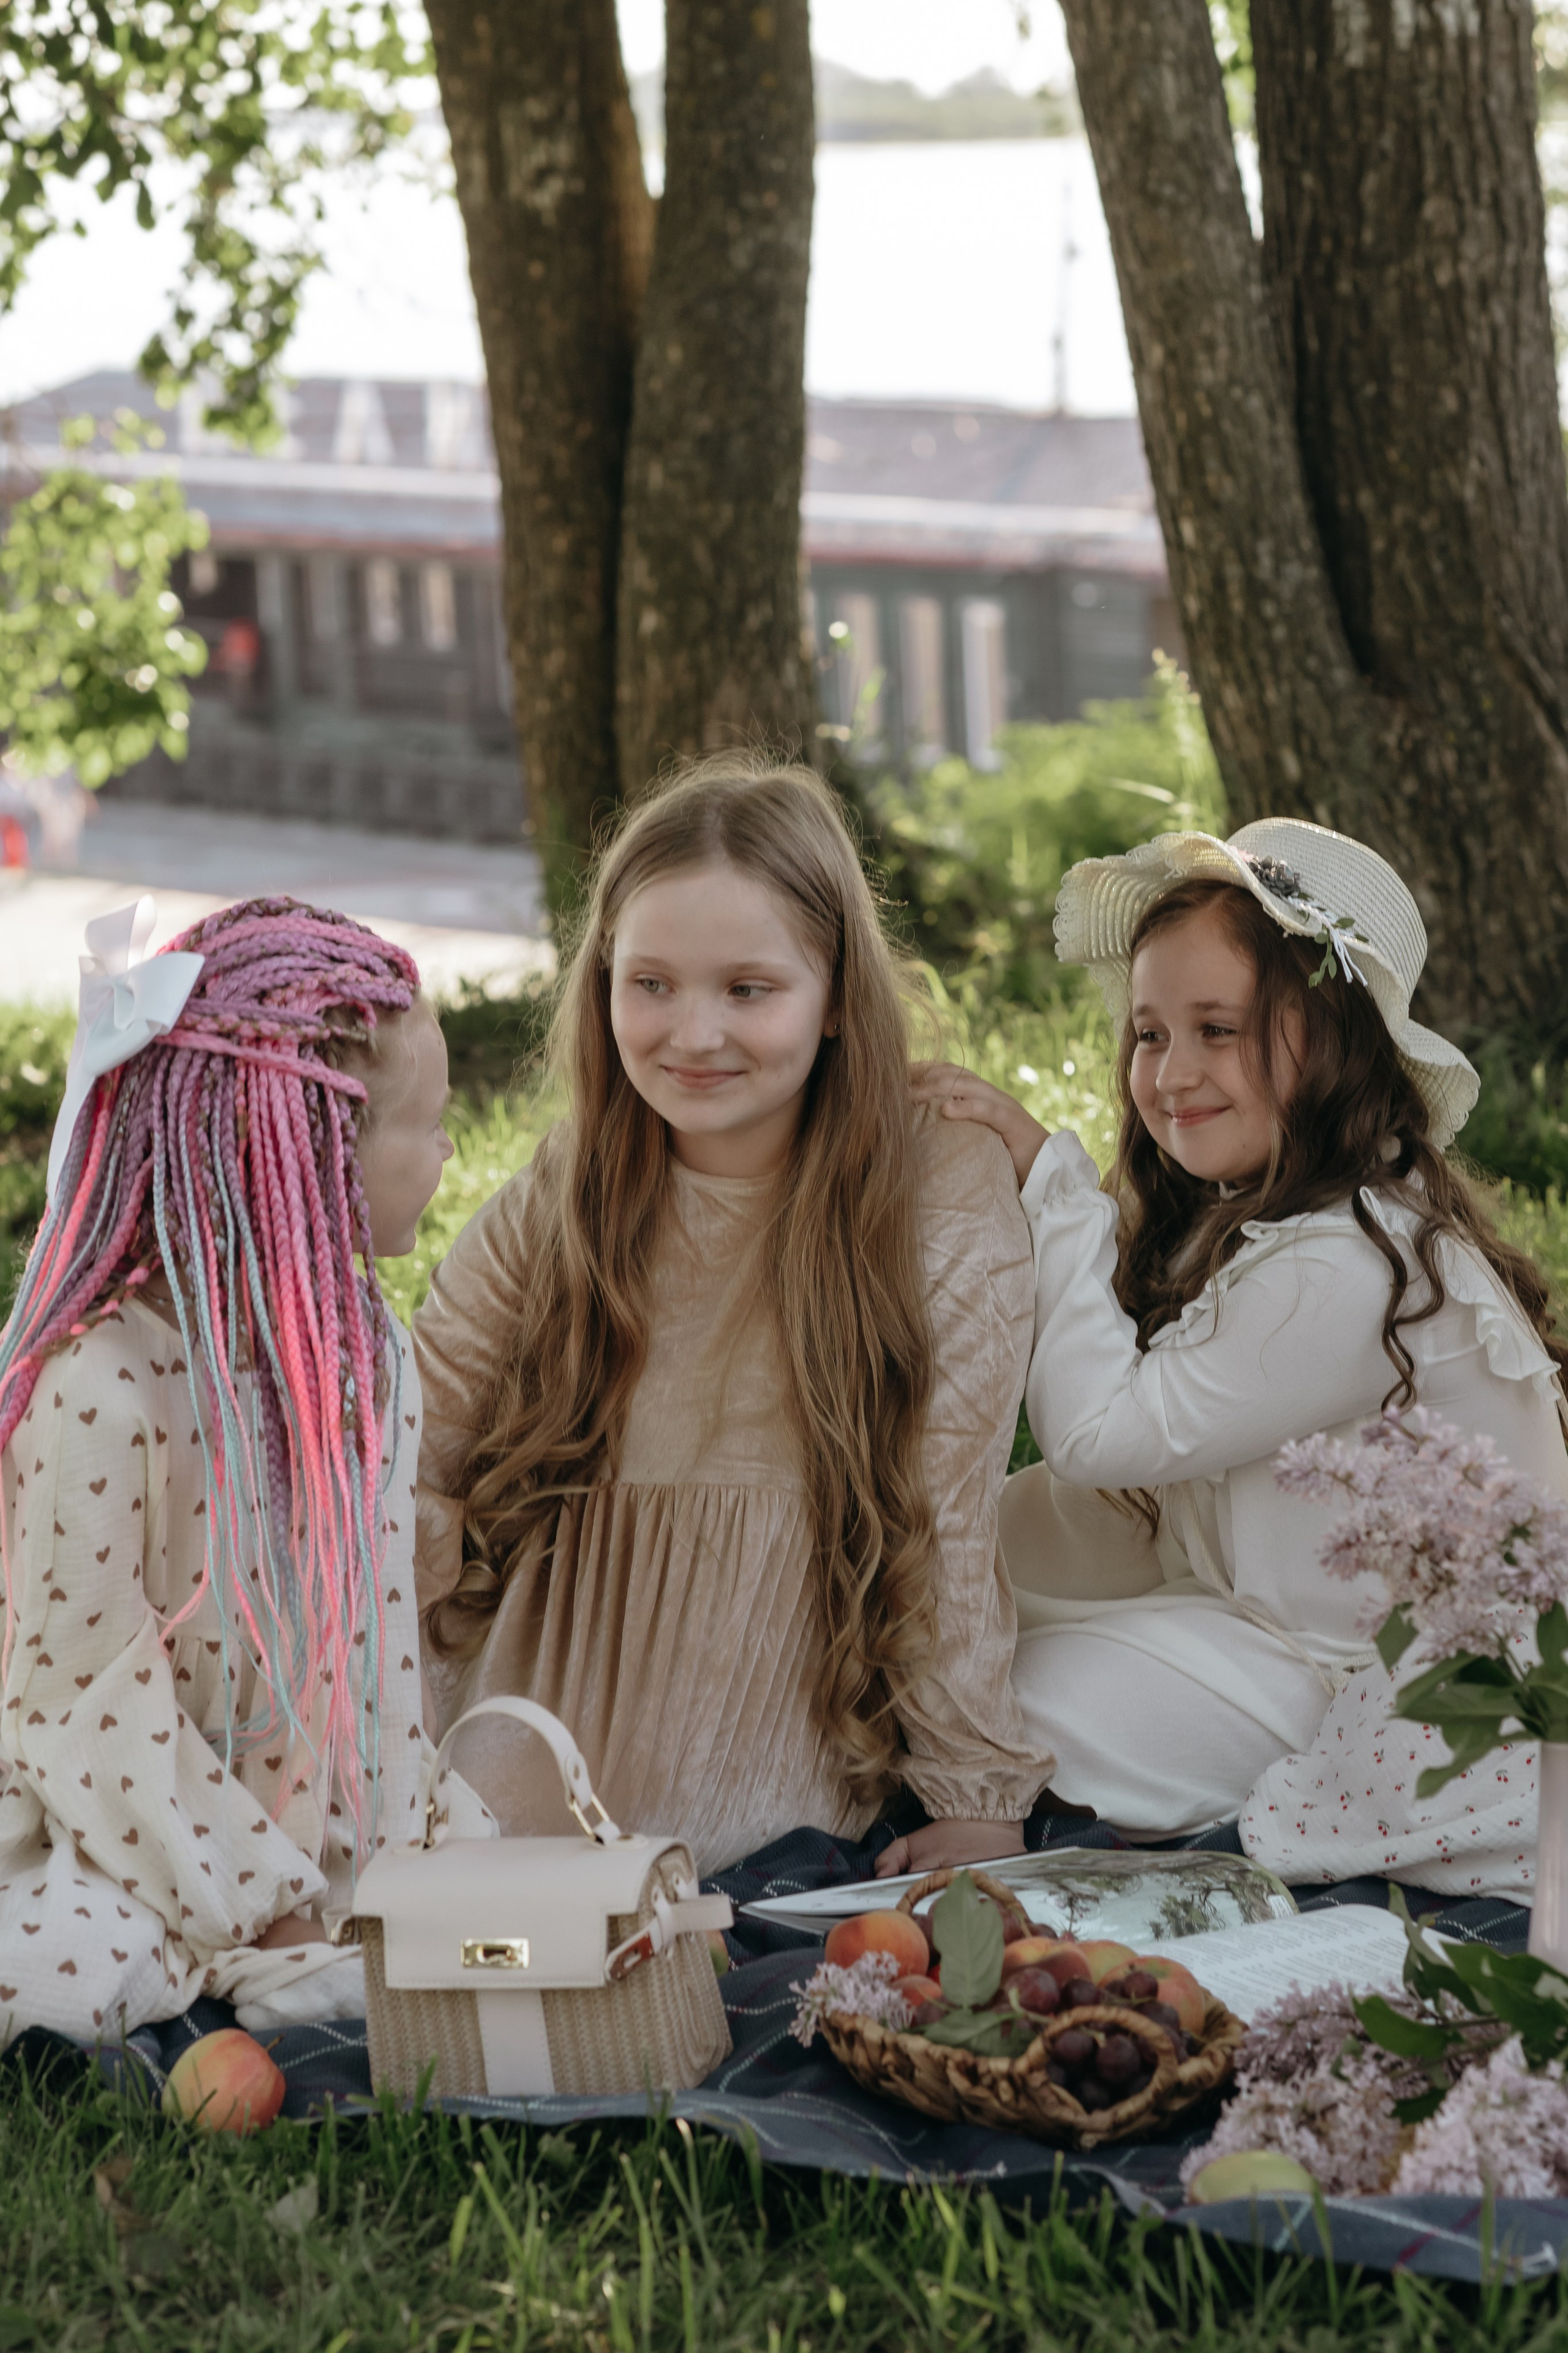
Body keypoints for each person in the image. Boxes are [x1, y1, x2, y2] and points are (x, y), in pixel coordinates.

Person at [413, 754, 1053, 1878]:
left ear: (840, 994)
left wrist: (975, 1790)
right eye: (650, 983)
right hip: (537, 1701)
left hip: (774, 1704)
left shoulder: (937, 1188)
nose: (693, 1034)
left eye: (748, 990)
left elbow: (945, 1507)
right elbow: (411, 1443)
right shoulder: (574, 1184)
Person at [918, 819, 1568, 1896]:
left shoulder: (1352, 1264)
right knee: (940, 1616)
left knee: (1011, 1699)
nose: (1172, 1075)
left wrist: (1057, 1191)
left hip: (1389, 1692)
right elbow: (1127, 1489)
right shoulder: (1272, 1217)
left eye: (1218, 1029)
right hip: (1266, 1622)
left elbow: (1096, 1436)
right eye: (1149, 1033)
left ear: (1336, 1039)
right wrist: (926, 1561)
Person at [0, 896, 477, 2044]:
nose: (454, 1150)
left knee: (485, 1905)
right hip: (110, 1803)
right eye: (431, 1124)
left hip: (308, 1798)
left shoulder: (359, 1353)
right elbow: (83, 1703)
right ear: (313, 1158)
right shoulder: (102, 1387)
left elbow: (379, 1635)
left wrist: (391, 1838)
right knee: (73, 1965)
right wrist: (260, 1905)